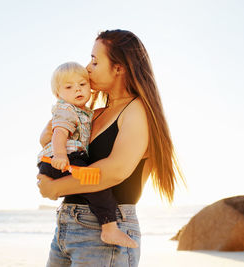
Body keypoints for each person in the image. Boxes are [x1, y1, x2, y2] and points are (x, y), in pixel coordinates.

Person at [37, 30, 183, 267]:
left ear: (119, 67)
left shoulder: (137, 111)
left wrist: (55, 188)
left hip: (105, 232)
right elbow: (48, 139)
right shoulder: (93, 113)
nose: (88, 67)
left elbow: (116, 170)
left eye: (95, 60)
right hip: (66, 226)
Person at [37, 61, 138, 248]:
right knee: (94, 182)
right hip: (63, 158)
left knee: (91, 184)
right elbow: (59, 133)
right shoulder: (66, 110)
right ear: (58, 94)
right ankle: (109, 228)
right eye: (69, 87)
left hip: (65, 159)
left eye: (82, 85)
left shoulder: (84, 112)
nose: (77, 90)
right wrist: (60, 156)